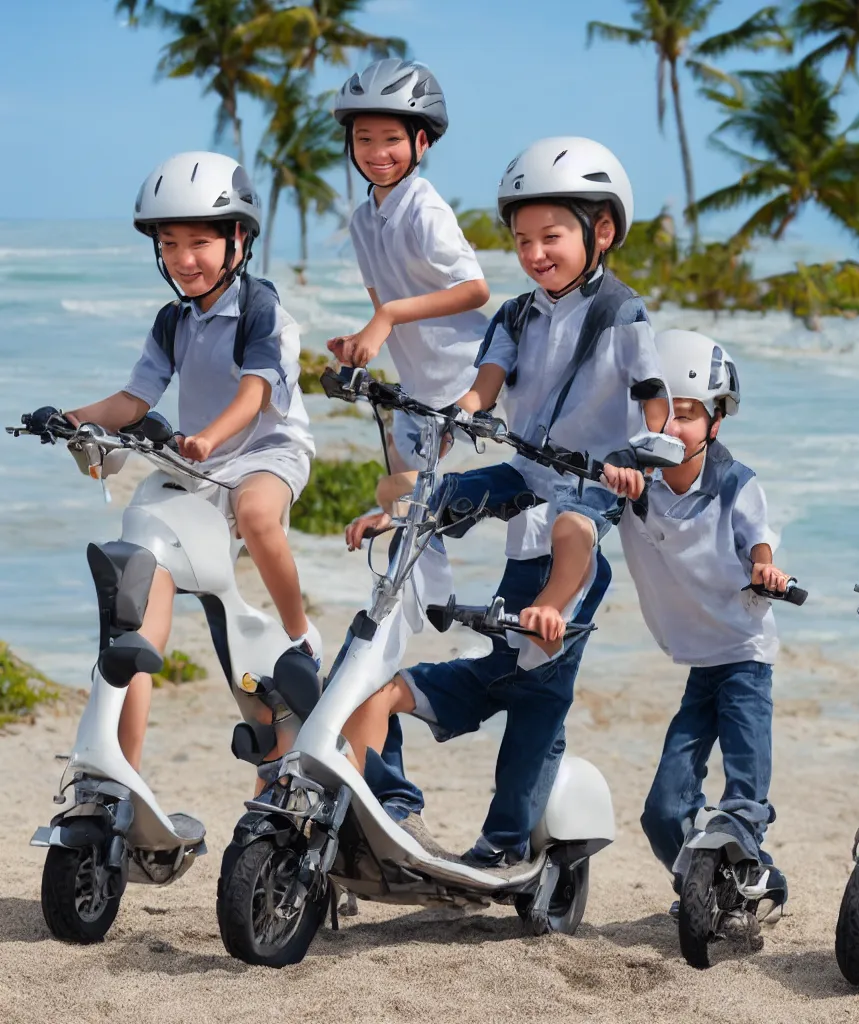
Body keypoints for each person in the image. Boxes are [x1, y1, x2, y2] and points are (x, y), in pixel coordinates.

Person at [342, 137, 669, 869]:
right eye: (522, 240)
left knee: (565, 561)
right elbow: (484, 384)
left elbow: (653, 401)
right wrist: (458, 414)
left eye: (551, 237)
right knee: (437, 499)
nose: (534, 253)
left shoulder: (623, 313)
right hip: (527, 470)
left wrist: (642, 456)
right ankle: (400, 534)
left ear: (602, 232)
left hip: (589, 480)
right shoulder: (518, 315)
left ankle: (504, 836)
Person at [65, 151, 317, 770]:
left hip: (265, 451)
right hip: (198, 468)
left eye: (199, 242)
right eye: (169, 243)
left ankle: (298, 634)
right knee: (137, 615)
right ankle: (123, 771)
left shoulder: (263, 312)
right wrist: (74, 418)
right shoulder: (173, 321)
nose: (183, 259)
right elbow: (134, 399)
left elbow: (254, 396)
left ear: (239, 239)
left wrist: (207, 436)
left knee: (259, 515)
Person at [617, 329, 790, 910]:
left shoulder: (735, 484)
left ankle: (749, 870)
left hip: (744, 655)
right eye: (661, 412)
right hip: (699, 662)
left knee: (743, 793)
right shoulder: (634, 485)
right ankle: (706, 884)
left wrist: (765, 569)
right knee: (663, 809)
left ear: (715, 422)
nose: (671, 426)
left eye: (687, 415)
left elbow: (759, 541)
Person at [328, 58, 490, 513]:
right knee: (405, 524)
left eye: (392, 139)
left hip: (469, 383)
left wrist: (389, 315)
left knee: (401, 498)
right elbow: (385, 306)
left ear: (421, 142)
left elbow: (476, 289)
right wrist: (362, 341)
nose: (377, 152)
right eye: (364, 139)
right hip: (417, 395)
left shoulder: (424, 208)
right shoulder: (362, 221)